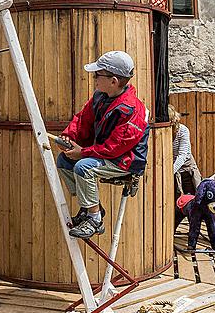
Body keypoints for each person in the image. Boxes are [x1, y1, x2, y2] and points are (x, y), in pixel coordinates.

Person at [56, 51, 149, 239]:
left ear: (113, 81)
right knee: (64, 161)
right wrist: (68, 136)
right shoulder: (100, 96)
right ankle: (91, 206)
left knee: (84, 167)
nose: (94, 78)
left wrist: (83, 153)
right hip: (106, 153)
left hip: (125, 160)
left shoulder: (131, 109)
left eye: (97, 74)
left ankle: (95, 218)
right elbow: (83, 120)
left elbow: (116, 147)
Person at [168, 104, 201, 196]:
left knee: (191, 199)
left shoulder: (183, 130)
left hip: (186, 172)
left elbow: (183, 155)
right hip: (173, 171)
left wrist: (170, 171)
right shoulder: (166, 131)